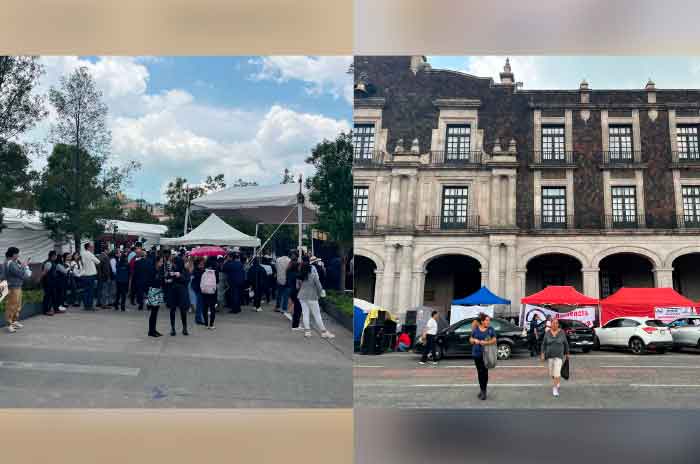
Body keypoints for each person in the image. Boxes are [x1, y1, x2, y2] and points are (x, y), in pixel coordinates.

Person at [297, 257, 335, 339]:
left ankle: (307, 332)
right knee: (317, 315)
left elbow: (298, 286)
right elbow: (319, 286)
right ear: (311, 268)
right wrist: (320, 294)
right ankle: (324, 332)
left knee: (305, 314)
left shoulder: (300, 275)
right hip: (312, 296)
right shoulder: (313, 275)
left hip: (302, 296)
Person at [3, 247, 32, 333]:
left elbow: (20, 272)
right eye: (18, 253)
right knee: (11, 306)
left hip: (17, 286)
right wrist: (24, 266)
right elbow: (20, 273)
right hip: (12, 287)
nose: (19, 255)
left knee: (17, 305)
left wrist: (23, 266)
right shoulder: (10, 263)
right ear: (14, 254)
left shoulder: (13, 262)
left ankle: (15, 321)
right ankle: (9, 324)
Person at [469, 313, 497, 400]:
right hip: (476, 354)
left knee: (484, 372)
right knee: (479, 372)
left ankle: (484, 391)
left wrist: (486, 342)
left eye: (489, 320)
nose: (488, 322)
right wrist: (474, 340)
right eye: (487, 320)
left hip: (486, 355)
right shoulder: (476, 329)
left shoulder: (490, 330)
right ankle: (482, 390)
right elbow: (470, 339)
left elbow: (494, 339)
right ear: (482, 321)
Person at [541, 318, 570, 398]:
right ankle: (557, 382)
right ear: (551, 324)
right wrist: (542, 353)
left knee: (557, 372)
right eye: (553, 323)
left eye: (556, 323)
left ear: (558, 324)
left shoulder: (562, 332)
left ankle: (555, 388)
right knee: (552, 373)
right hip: (549, 356)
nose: (555, 324)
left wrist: (567, 353)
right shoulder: (547, 333)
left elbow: (566, 344)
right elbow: (543, 344)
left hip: (559, 356)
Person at [165, 252, 190, 336]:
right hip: (172, 291)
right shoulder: (171, 269)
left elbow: (187, 280)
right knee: (172, 310)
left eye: (175, 263)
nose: (173, 265)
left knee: (183, 310)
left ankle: (185, 328)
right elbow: (166, 279)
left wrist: (180, 276)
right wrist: (168, 278)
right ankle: (173, 328)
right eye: (173, 263)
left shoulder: (185, 270)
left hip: (182, 292)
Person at [145, 254, 165, 337]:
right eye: (161, 261)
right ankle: (151, 331)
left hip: (158, 291)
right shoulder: (152, 269)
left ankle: (153, 329)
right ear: (157, 262)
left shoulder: (159, 269)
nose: (162, 263)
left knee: (155, 312)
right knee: (153, 312)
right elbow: (151, 281)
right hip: (153, 291)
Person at [198, 256, 219, 329]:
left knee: (205, 307)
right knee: (212, 308)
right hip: (213, 292)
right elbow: (217, 282)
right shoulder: (216, 271)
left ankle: (206, 324)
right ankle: (212, 324)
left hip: (204, 291)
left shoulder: (203, 271)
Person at [80, 242, 101, 310]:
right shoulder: (90, 254)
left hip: (85, 274)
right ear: (88, 247)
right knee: (91, 291)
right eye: (91, 247)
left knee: (86, 291)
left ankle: (86, 305)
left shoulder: (82, 253)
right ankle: (90, 306)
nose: (92, 248)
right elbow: (98, 261)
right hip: (91, 274)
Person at [287, 253, 303, 330]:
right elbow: (298, 285)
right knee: (298, 309)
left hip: (291, 291)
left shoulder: (289, 273)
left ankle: (295, 325)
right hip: (296, 292)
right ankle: (295, 325)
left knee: (296, 308)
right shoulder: (297, 275)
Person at [41, 250, 59, 316]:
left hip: (52, 282)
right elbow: (44, 272)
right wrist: (40, 279)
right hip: (48, 282)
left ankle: (55, 309)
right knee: (47, 296)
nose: (56, 257)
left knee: (53, 296)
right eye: (56, 255)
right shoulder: (48, 263)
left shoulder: (52, 262)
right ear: (53, 256)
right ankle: (46, 310)